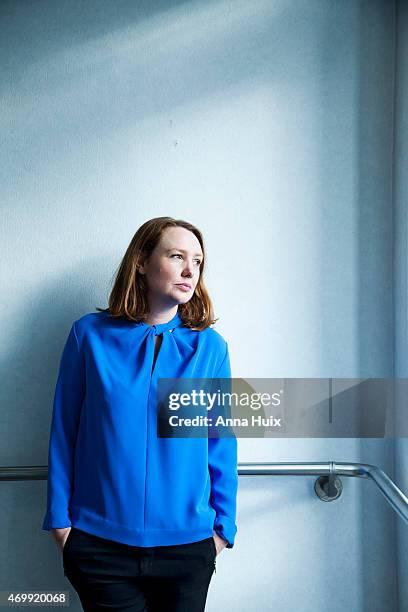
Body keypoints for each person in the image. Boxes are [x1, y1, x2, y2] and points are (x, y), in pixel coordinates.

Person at [42, 216, 238, 611]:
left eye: (197, 261)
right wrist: (61, 522)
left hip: (188, 549)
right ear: (143, 262)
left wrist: (223, 529)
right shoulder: (88, 335)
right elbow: (65, 430)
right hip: (99, 547)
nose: (189, 270)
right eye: (177, 256)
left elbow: (220, 440)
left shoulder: (211, 348)